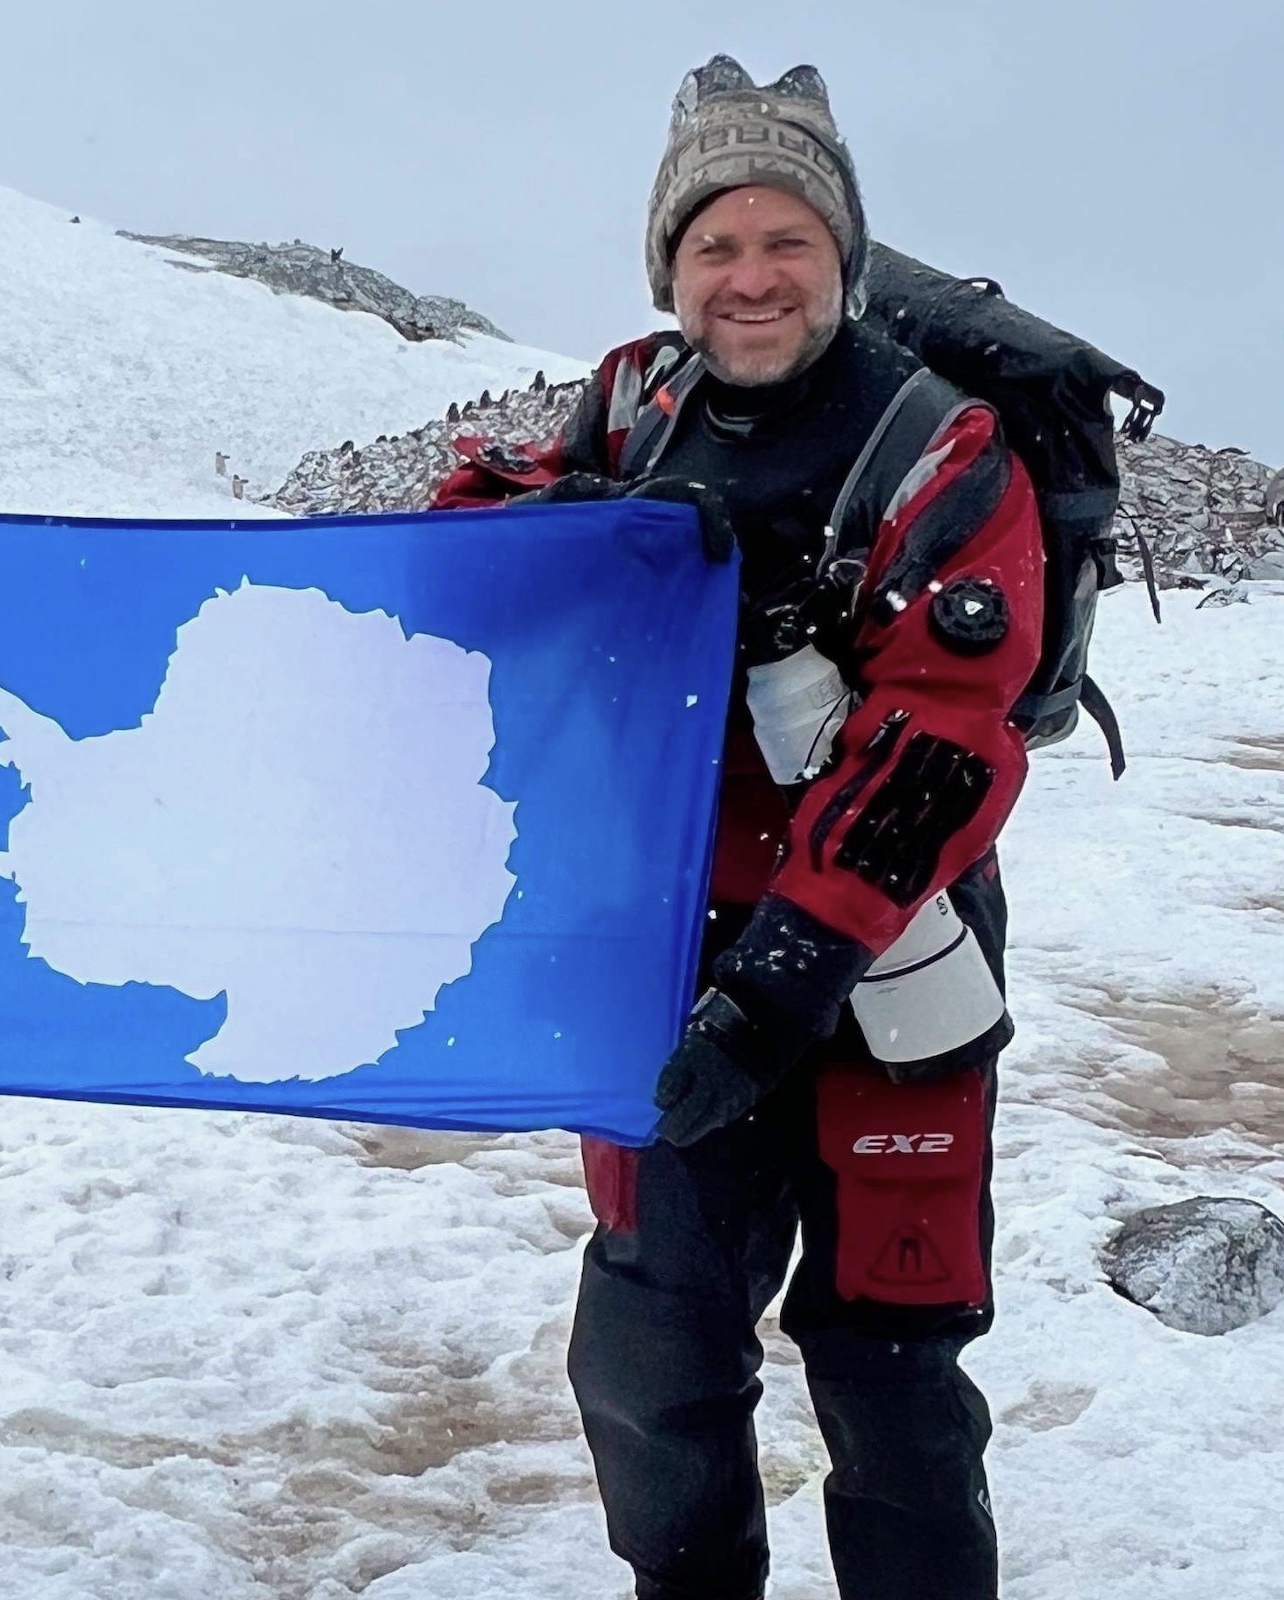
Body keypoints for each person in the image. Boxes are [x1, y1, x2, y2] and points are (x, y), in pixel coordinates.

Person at [434, 57, 1044, 1600]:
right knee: (656, 1346)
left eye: (787, 241)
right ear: (671, 265)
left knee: (889, 1359)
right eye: (715, 245)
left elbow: (942, 752)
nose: (751, 277)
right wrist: (539, 531)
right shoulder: (633, 405)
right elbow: (460, 565)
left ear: (841, 255)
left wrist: (774, 994)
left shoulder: (942, 451)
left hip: (885, 970)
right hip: (668, 962)